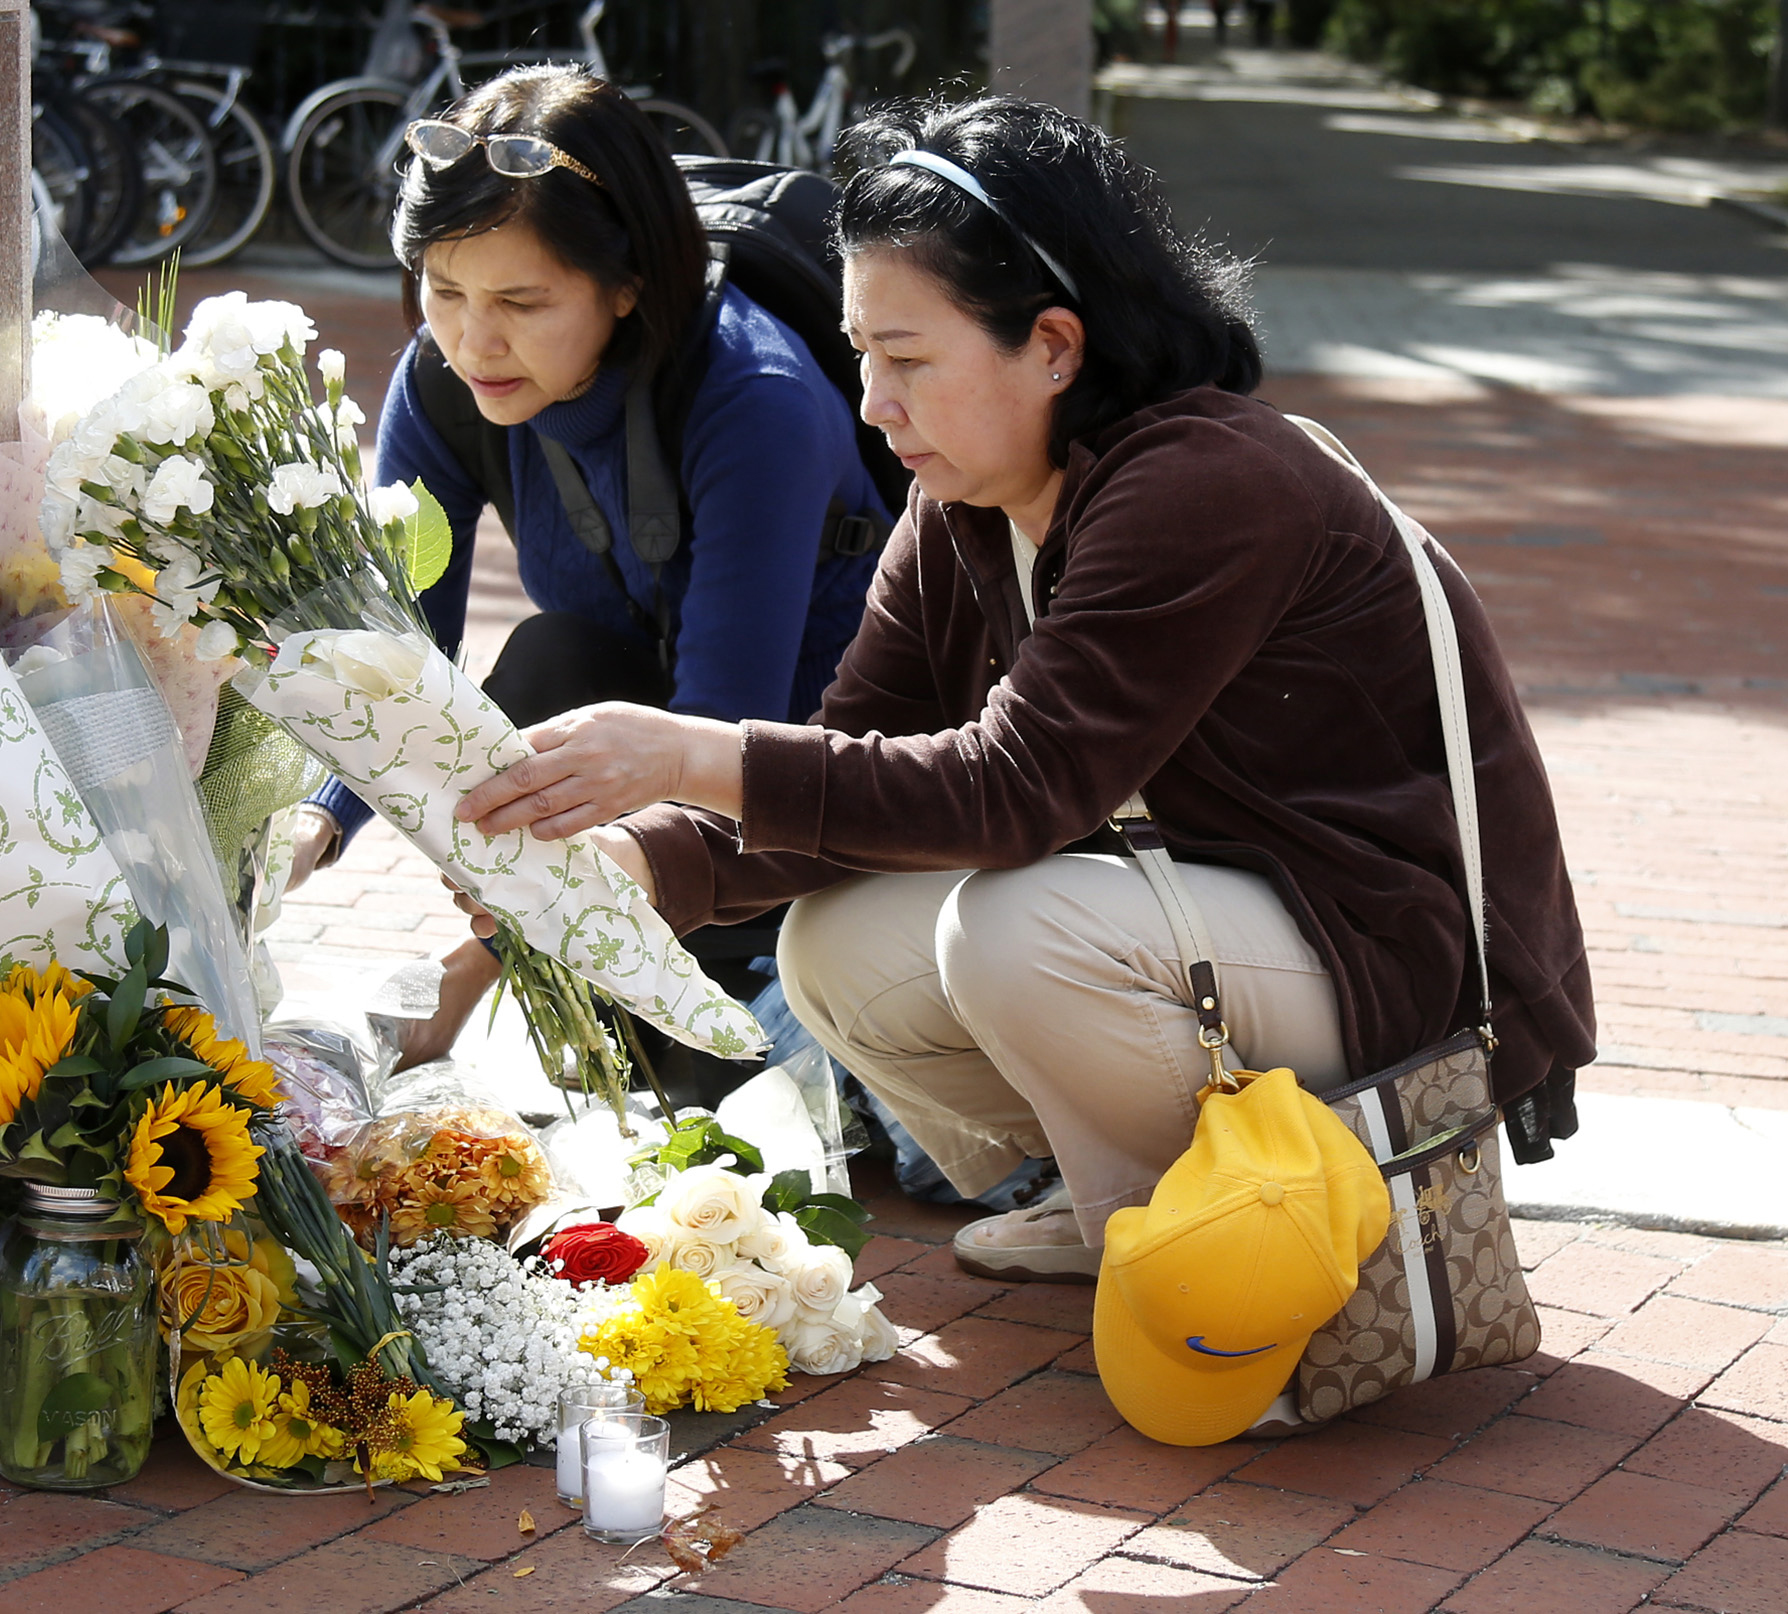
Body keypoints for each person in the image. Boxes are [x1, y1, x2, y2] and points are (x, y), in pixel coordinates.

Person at [448, 93, 1595, 1283]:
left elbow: (1013, 793)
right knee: (834, 947)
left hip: (1395, 956)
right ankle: (1128, 1187)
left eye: (906, 360)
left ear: (1052, 345)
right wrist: (641, 867)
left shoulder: (1206, 482)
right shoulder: (961, 506)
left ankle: (1224, 1243)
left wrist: (683, 755)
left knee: (1012, 929)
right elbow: (856, 770)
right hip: (1231, 917)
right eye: (860, 355)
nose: (871, 405)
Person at [283, 63, 894, 1067]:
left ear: (625, 284)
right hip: (638, 762)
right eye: (443, 290)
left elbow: (721, 731)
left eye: (522, 301)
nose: (475, 339)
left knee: (688, 1106)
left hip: (792, 794)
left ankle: (635, 985)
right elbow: (392, 646)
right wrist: (316, 817)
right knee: (544, 668)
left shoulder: (755, 400)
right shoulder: (443, 380)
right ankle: (556, 966)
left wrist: (460, 977)